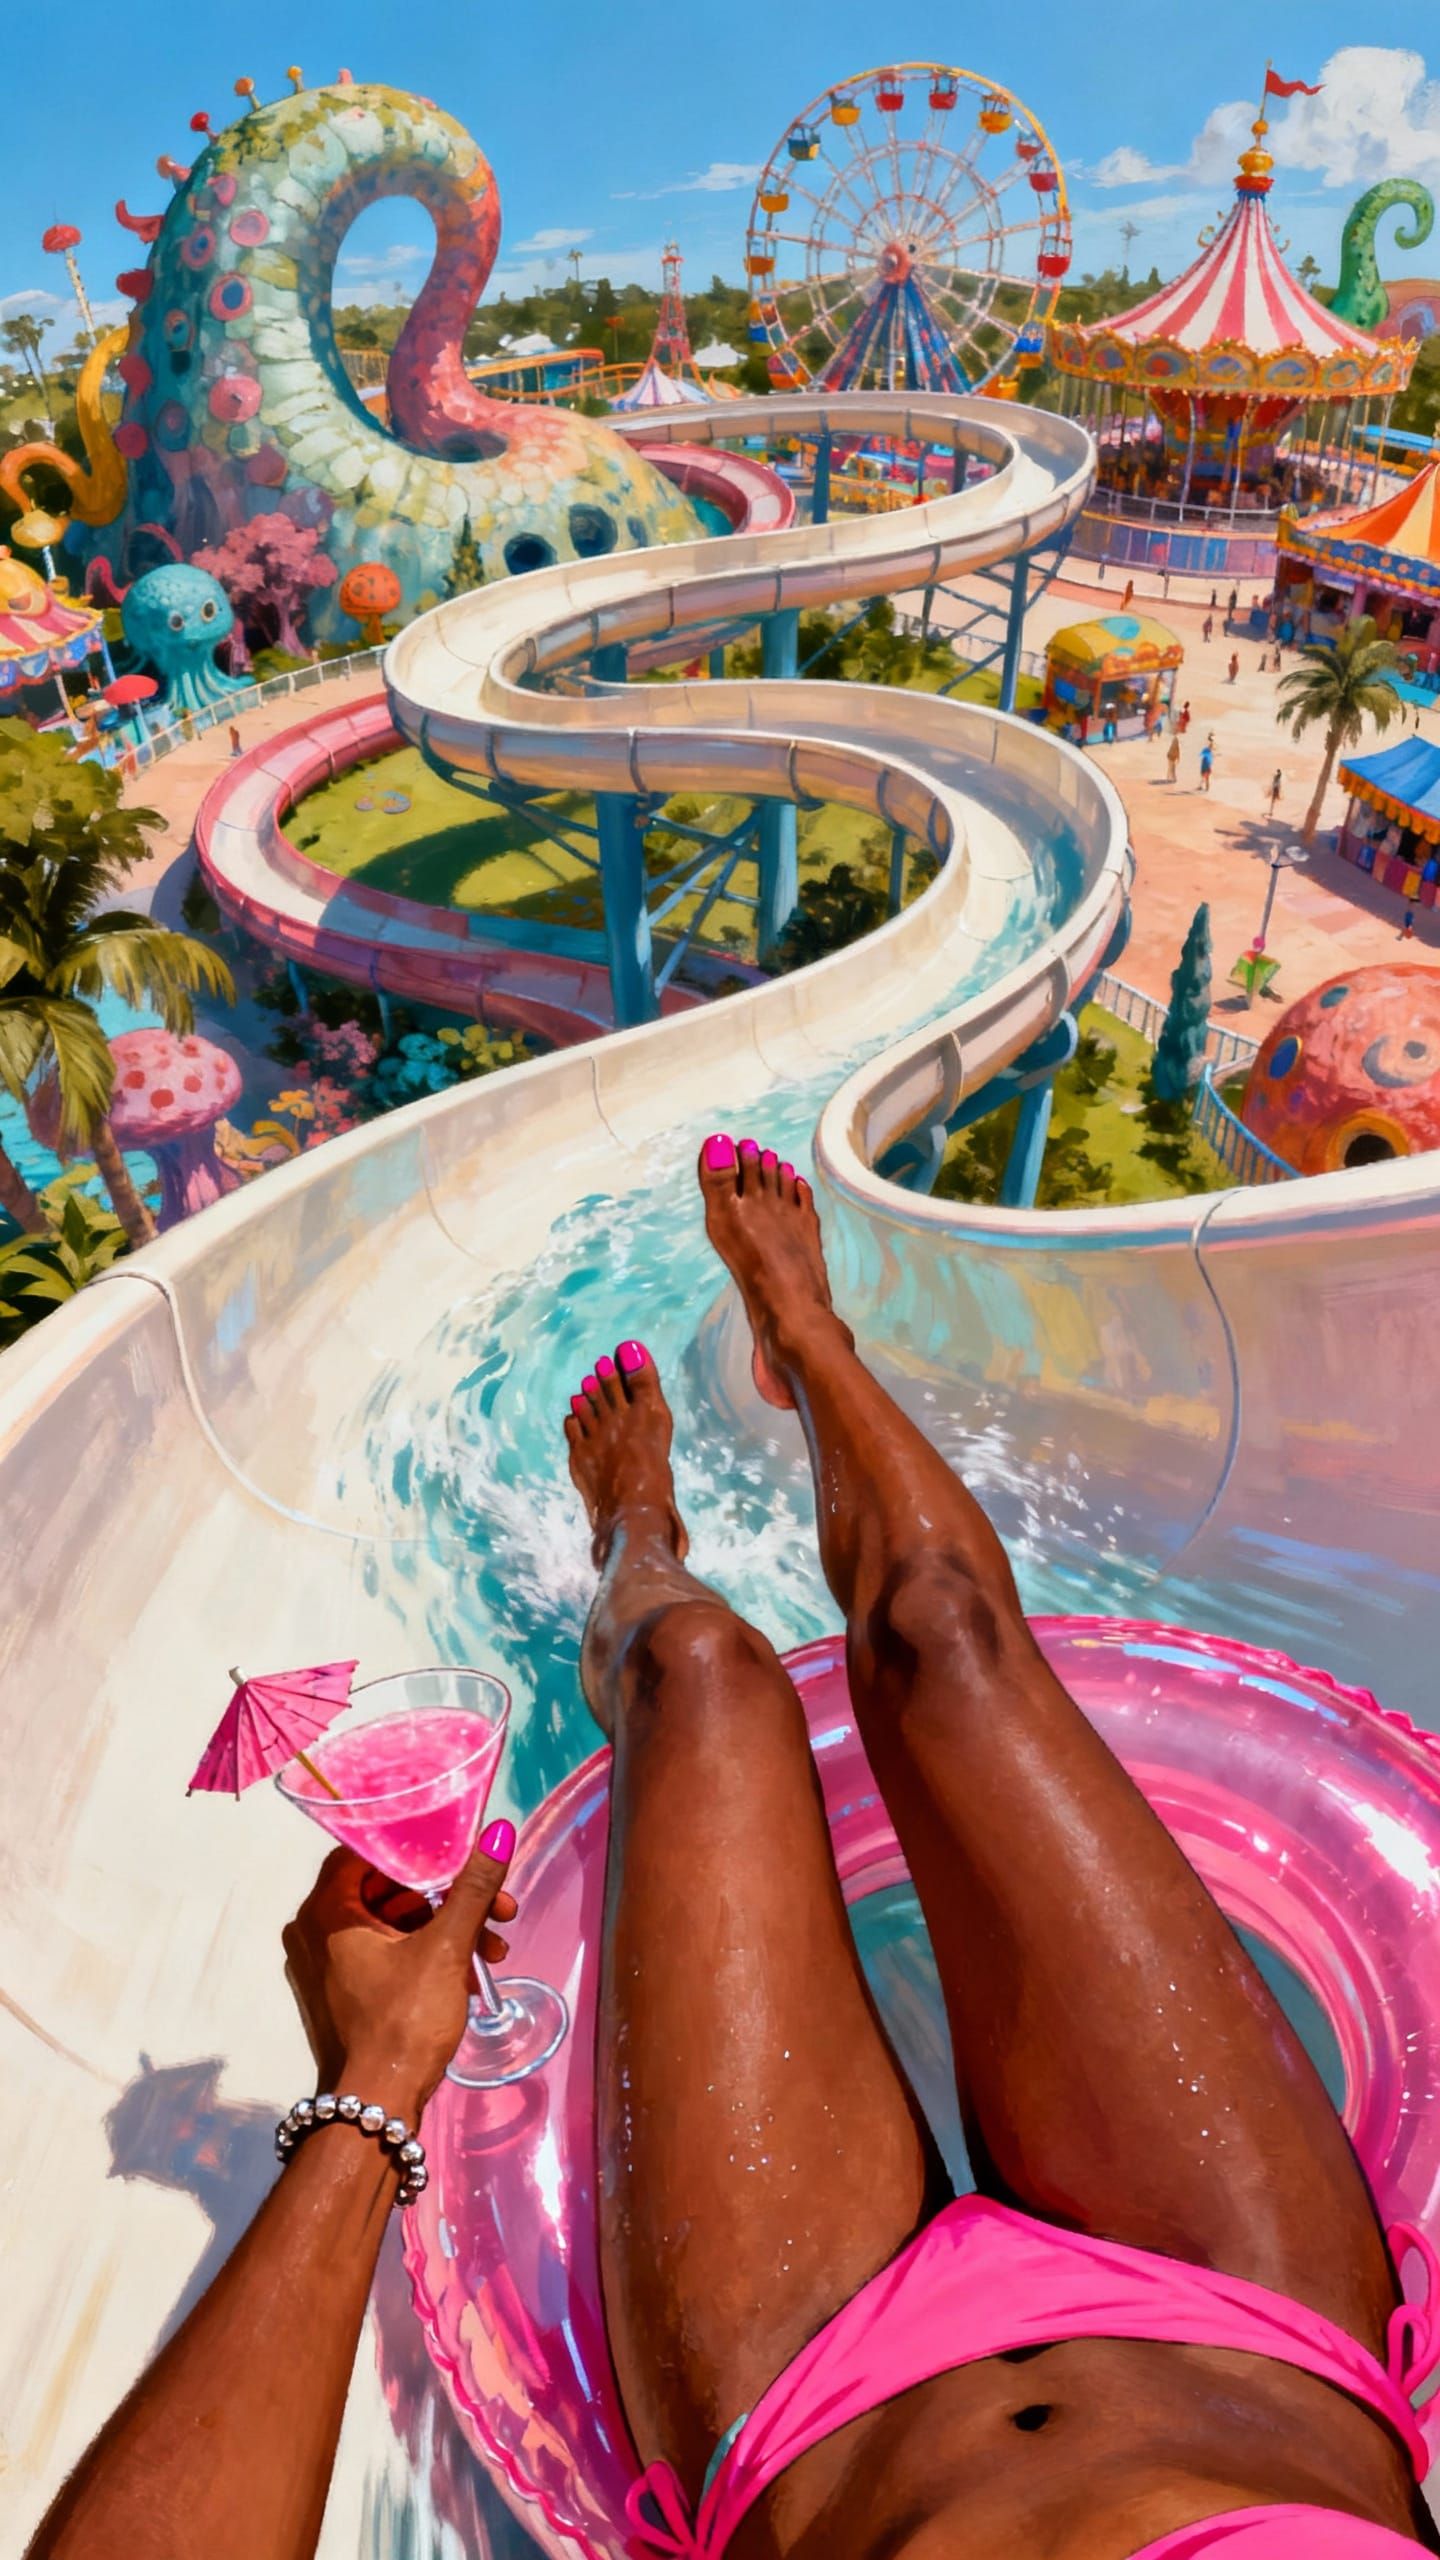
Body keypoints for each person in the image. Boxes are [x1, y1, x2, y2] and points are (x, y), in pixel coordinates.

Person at [26, 1148, 1440, 2560]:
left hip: (812, 2414)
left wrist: (379, 2077)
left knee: (693, 1670)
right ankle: (804, 1336)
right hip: (1261, 2339)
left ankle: (633, 1527)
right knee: (938, 1628)